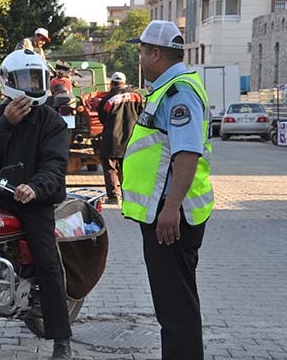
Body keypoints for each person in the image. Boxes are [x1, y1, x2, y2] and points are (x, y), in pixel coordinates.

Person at [0, 49, 73, 359]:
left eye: (34, 78)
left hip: (34, 200)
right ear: (8, 82)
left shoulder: (52, 121)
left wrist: (35, 187)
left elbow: (55, 164)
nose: (30, 86)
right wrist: (6, 123)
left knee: (48, 263)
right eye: (24, 79)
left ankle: (61, 339)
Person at [123, 20, 214, 359]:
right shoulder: (170, 88)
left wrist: (171, 208)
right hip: (169, 213)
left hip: (173, 218)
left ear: (156, 54)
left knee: (175, 310)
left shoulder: (179, 92)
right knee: (176, 306)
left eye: (143, 52)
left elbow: (187, 153)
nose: (141, 59)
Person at [96, 71, 144, 204]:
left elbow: (102, 117)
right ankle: (129, 196)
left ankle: (114, 197)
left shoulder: (107, 99)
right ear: (124, 82)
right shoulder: (137, 96)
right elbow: (143, 113)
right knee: (128, 167)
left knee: (111, 167)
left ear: (111, 84)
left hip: (112, 139)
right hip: (132, 138)